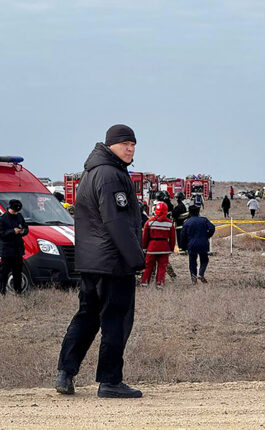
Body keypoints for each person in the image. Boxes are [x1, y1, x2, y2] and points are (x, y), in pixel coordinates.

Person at [56, 124, 145, 398]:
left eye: (133, 144)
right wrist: (136, 260)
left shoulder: (92, 172)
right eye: (125, 144)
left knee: (86, 317)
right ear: (111, 146)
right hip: (113, 262)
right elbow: (115, 221)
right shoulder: (111, 175)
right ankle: (110, 381)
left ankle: (65, 373)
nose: (130, 149)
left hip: (91, 261)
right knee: (116, 320)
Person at [141, 202, 176, 287]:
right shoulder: (170, 223)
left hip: (151, 247)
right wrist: (171, 249)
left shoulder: (149, 222)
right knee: (162, 267)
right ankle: (159, 284)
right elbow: (172, 239)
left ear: (155, 211)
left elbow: (145, 237)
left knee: (148, 266)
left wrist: (144, 247)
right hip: (164, 248)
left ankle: (144, 283)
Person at [0, 200, 29, 295]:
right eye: (14, 211)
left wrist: (23, 231)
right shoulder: (3, 219)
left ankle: (18, 291)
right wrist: (13, 231)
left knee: (18, 273)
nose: (16, 213)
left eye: (18, 211)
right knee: (4, 272)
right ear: (9, 208)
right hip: (7, 251)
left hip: (18, 250)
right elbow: (1, 234)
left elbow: (26, 227)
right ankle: (2, 291)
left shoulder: (19, 216)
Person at [181, 205, 215, 284]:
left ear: (189, 212)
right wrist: (208, 235)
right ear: (198, 212)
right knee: (204, 260)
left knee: (192, 261)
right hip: (203, 243)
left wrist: (183, 247)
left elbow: (183, 236)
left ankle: (193, 276)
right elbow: (212, 228)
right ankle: (201, 273)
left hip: (191, 244)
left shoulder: (187, 222)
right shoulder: (204, 220)